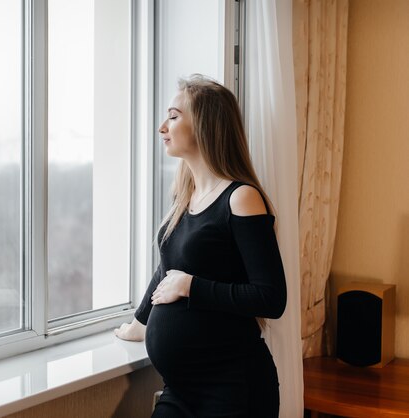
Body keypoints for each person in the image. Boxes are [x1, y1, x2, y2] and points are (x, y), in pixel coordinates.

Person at [114, 74, 287, 417]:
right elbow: (167, 268)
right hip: (182, 390)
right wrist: (140, 324)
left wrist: (192, 286)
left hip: (233, 389)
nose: (163, 127)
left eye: (174, 116)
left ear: (205, 125)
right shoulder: (185, 196)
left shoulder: (242, 198)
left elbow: (271, 297)